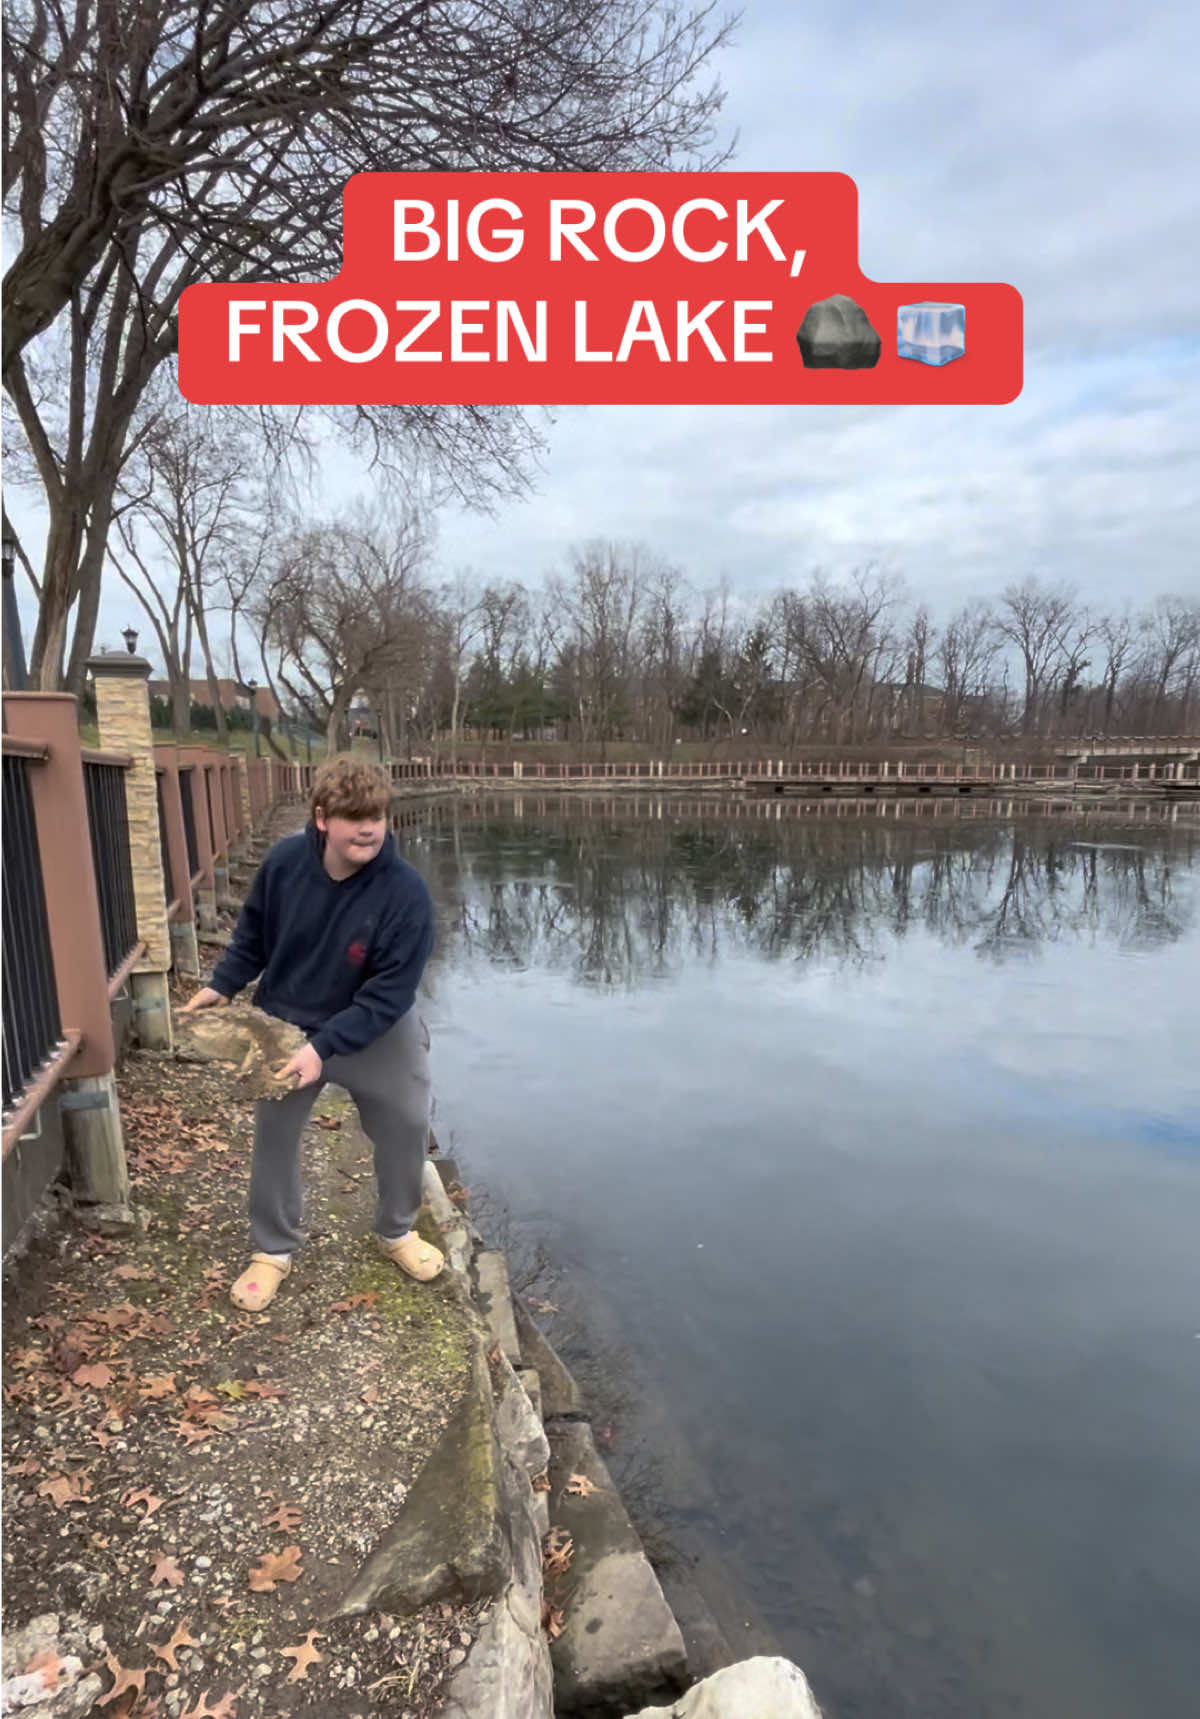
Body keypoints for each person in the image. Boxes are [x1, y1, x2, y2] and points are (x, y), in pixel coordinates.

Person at [183, 755, 443, 1311]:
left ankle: (396, 1230)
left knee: (408, 1119)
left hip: (373, 1025)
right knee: (274, 1133)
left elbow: (390, 994)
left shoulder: (407, 894)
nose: (369, 827)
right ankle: (272, 1248)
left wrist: (323, 1050)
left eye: (377, 815)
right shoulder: (283, 865)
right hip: (286, 1018)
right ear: (323, 818)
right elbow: (252, 934)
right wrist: (224, 984)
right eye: (354, 816)